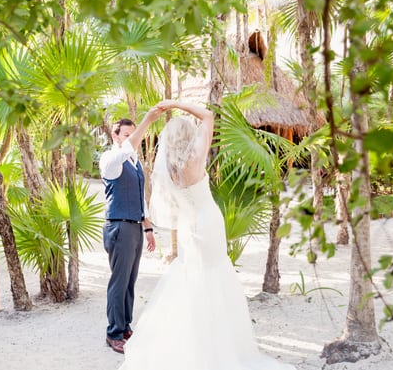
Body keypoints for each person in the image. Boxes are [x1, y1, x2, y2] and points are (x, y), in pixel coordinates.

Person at [119, 100, 296, 370]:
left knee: (192, 281)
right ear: (189, 137)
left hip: (190, 227)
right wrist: (174, 104)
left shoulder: (170, 169)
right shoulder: (195, 158)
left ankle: (191, 345)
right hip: (208, 222)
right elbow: (208, 115)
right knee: (215, 277)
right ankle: (218, 350)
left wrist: (163, 111)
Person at [100, 108, 161, 354]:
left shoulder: (135, 164)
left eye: (133, 134)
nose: (132, 138)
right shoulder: (110, 159)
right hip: (118, 226)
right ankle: (113, 333)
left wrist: (147, 228)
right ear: (115, 136)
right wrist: (148, 119)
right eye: (127, 134)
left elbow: (140, 199)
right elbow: (126, 150)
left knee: (129, 282)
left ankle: (125, 327)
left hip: (134, 227)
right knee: (119, 281)